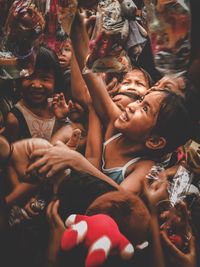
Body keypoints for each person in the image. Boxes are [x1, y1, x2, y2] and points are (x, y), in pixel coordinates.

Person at [4, 45, 65, 143]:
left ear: (55, 81)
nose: (36, 85)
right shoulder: (14, 119)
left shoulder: (57, 109)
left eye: (45, 79)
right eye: (29, 77)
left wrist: (61, 119)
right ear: (18, 79)